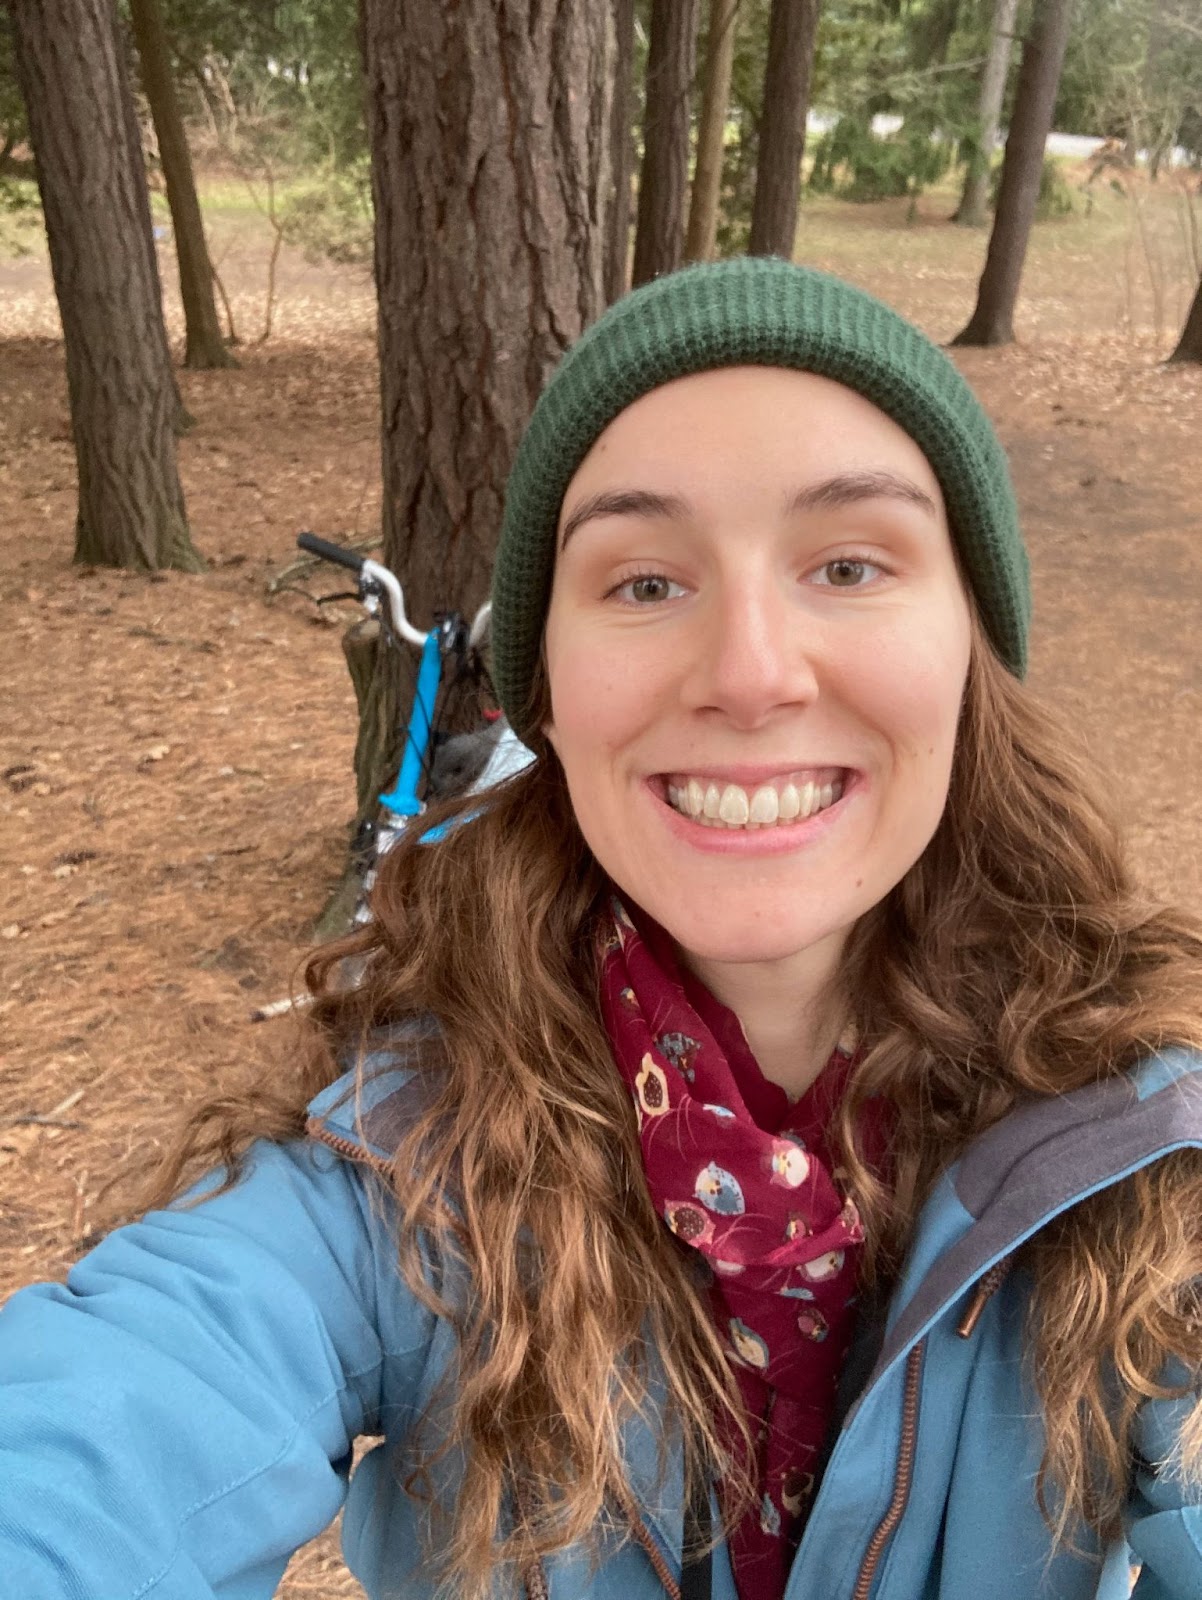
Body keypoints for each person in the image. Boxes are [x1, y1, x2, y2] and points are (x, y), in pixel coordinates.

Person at [3, 257, 1202, 1600]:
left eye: (849, 563)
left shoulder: (1148, 1145)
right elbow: (120, 1417)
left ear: (968, 659)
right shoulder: (401, 1165)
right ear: (549, 702)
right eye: (641, 584)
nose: (750, 672)